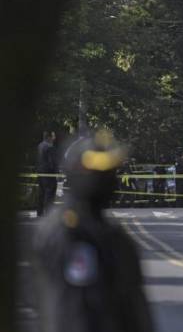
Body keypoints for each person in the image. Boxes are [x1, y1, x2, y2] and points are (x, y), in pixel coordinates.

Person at [34, 130, 153, 332]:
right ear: (75, 171)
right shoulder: (66, 234)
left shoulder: (115, 237)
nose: (106, 180)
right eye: (97, 172)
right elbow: (74, 311)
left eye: (110, 172)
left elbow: (135, 308)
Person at [37, 131, 57, 216]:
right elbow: (51, 162)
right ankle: (48, 213)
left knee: (41, 192)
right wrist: (56, 171)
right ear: (49, 137)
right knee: (50, 192)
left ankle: (39, 212)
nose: (54, 138)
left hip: (40, 172)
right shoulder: (50, 147)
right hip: (49, 173)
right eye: (53, 136)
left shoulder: (40, 146)